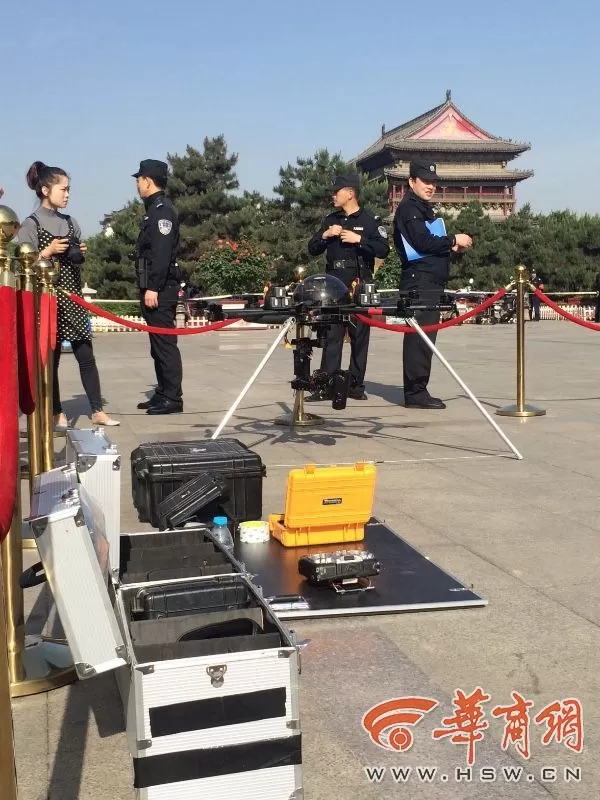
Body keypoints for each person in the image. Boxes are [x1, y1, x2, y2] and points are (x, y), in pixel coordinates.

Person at [18, 161, 119, 429]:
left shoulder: (71, 222)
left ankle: (97, 410)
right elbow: (23, 266)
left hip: (73, 298)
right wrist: (47, 252)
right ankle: (56, 413)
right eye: (63, 189)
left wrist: (79, 252)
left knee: (86, 355)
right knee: (52, 360)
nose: (67, 195)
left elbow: (74, 262)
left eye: (69, 189)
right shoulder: (30, 224)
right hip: (47, 300)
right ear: (45, 190)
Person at [393, 158, 473, 409]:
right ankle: (415, 392)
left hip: (429, 280)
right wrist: (452, 240)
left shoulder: (422, 208)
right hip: (419, 281)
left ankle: (419, 389)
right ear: (411, 181)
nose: (430, 186)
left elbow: (428, 242)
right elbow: (422, 242)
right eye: (425, 181)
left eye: (433, 182)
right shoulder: (410, 209)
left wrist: (450, 247)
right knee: (420, 338)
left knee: (426, 336)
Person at [306, 173, 390, 401]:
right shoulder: (330, 220)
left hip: (359, 283)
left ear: (350, 193)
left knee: (359, 336)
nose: (333, 196)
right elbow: (312, 248)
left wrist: (359, 240)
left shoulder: (370, 220)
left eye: (337, 192)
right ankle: (326, 385)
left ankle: (355, 385)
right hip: (334, 284)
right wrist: (325, 235)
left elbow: (383, 250)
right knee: (332, 335)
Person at [133, 160, 183, 415]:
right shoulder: (153, 210)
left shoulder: (162, 212)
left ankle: (173, 397)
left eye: (139, 179)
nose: (137, 184)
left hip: (160, 289)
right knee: (157, 346)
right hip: (153, 287)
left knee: (164, 344)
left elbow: (161, 255)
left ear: (148, 181)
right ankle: (163, 392)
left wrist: (153, 287)